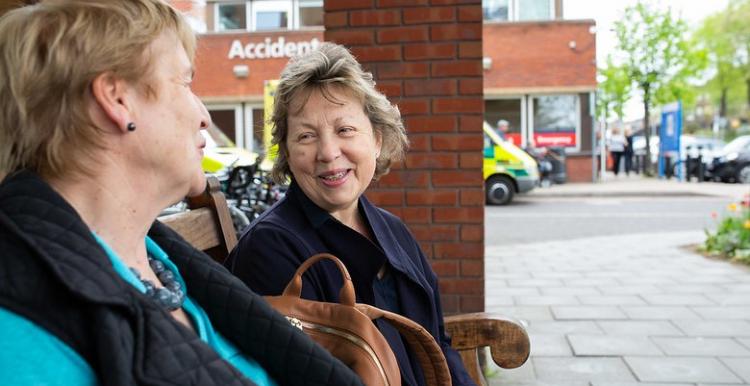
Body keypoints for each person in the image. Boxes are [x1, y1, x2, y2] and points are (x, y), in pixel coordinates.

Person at [0, 2, 362, 386]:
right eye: (186, 83)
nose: (203, 115)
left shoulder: (162, 263)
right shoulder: (19, 339)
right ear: (117, 100)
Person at [224, 43, 476, 386]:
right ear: (287, 152)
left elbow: (439, 342)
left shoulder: (393, 230)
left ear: (376, 138)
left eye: (345, 130)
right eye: (306, 136)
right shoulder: (270, 250)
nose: (328, 153)